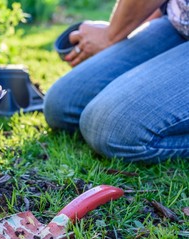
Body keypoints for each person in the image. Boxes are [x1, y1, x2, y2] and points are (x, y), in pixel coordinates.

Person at [43, 0, 189, 163]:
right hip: (177, 23)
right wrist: (136, 26)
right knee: (62, 104)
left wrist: (110, 35)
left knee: (112, 129)